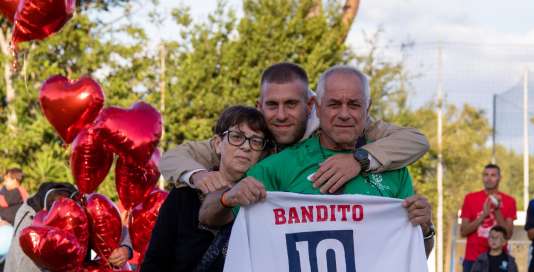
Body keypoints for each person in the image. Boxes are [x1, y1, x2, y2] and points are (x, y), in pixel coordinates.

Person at [199, 65, 434, 255]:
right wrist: (227, 198)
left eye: (354, 104)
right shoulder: (280, 166)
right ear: (318, 109)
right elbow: (209, 216)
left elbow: (416, 255)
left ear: (367, 108)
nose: (344, 114)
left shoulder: (395, 170)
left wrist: (425, 229)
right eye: (334, 104)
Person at [159, 62, 430, 196]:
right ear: (259, 104)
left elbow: (416, 140)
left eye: (291, 104)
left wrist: (358, 160)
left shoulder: (337, 121)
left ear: (311, 105)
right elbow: (172, 157)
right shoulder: (248, 134)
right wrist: (198, 176)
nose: (280, 115)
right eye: (272, 105)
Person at [137, 105, 274, 272]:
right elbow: (154, 267)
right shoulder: (185, 196)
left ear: (263, 153)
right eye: (237, 137)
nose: (246, 147)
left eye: (256, 141)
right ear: (218, 144)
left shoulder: (265, 202)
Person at [2, 182, 132, 272]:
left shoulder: (86, 205)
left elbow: (118, 226)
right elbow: (25, 264)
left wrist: (126, 249)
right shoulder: (29, 213)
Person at [458, 164, 517, 272]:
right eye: (486, 174)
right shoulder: (470, 198)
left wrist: (497, 210)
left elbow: (508, 234)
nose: (489, 178)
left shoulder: (509, 201)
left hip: (497, 260)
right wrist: (483, 215)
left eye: (493, 175)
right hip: (473, 258)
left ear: (499, 178)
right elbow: (463, 231)